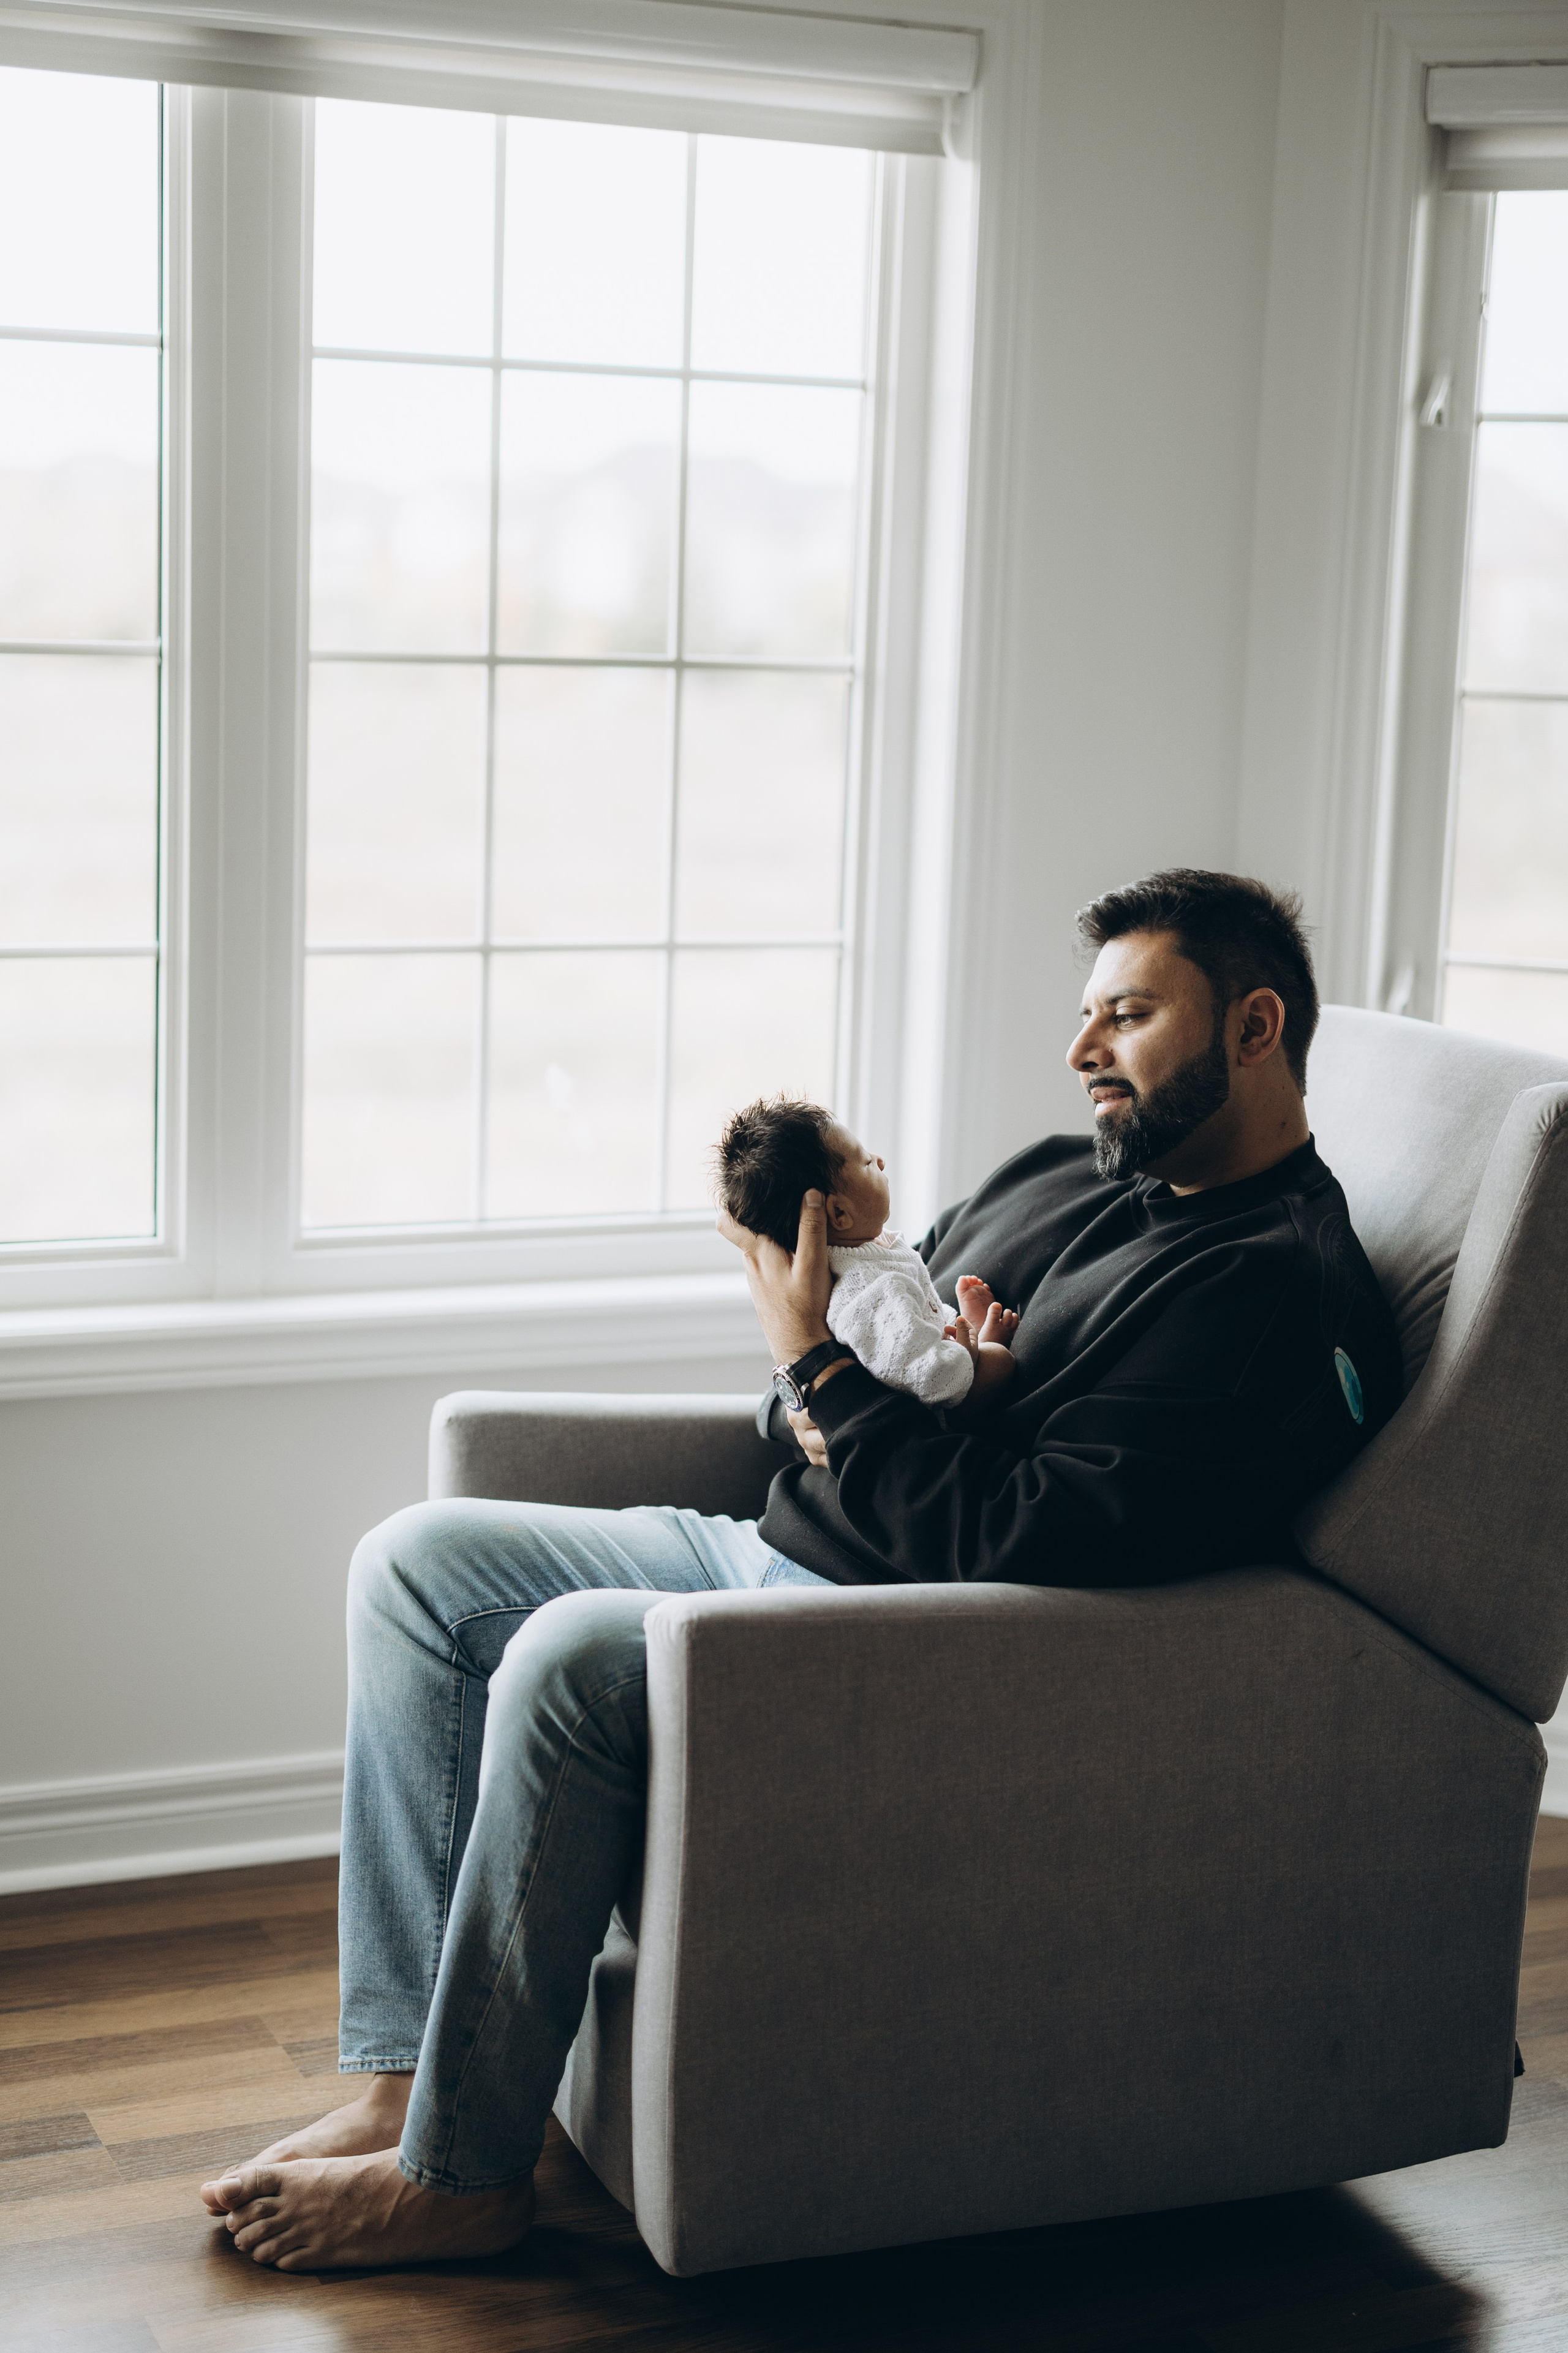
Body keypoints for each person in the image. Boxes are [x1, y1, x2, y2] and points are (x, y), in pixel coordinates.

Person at [200, 867, 1400, 2272]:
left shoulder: (1266, 1287)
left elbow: (1004, 1534)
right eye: (1086, 1014)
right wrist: (820, 1382)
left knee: (572, 1654)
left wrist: (814, 1369)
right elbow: (837, 1370)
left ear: (1253, 1028)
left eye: (1126, 1016)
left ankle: (460, 2174)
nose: (1081, 1049)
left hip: (884, 1636)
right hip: (772, 1548)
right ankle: (407, 2080)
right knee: (414, 1564)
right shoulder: (1059, 1172)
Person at [713, 1095, 1020, 1410]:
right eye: (866, 1162)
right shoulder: (869, 1292)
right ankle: (982, 1343)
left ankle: (966, 1329)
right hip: (935, 1406)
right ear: (839, 1214)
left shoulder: (868, 1252)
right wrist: (966, 1353)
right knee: (1000, 1363)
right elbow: (928, 1378)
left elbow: (914, 1321)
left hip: (925, 1350)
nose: (880, 1160)